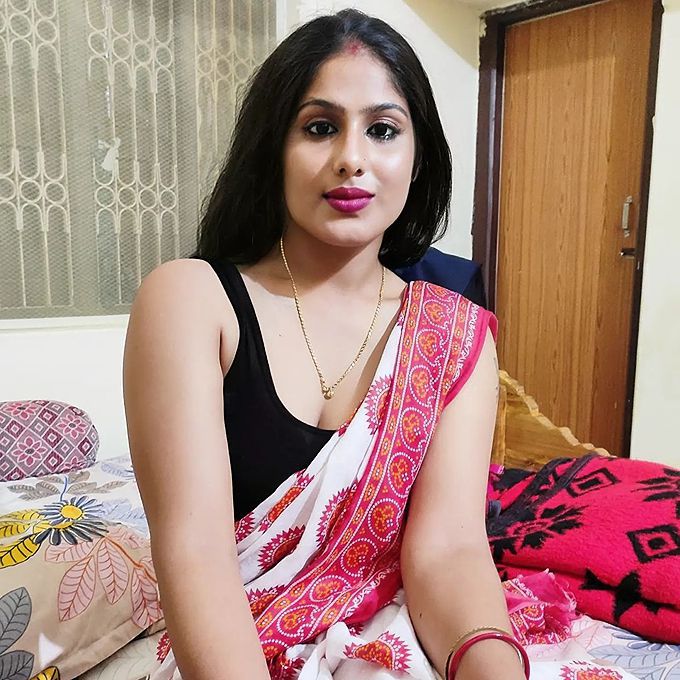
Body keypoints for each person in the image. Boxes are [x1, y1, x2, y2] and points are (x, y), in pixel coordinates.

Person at [123, 9, 527, 680]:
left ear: (417, 159)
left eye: (383, 130)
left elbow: (449, 550)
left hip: (390, 633)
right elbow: (195, 552)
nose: (351, 158)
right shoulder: (192, 300)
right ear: (273, 150)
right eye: (319, 127)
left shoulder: (452, 334)